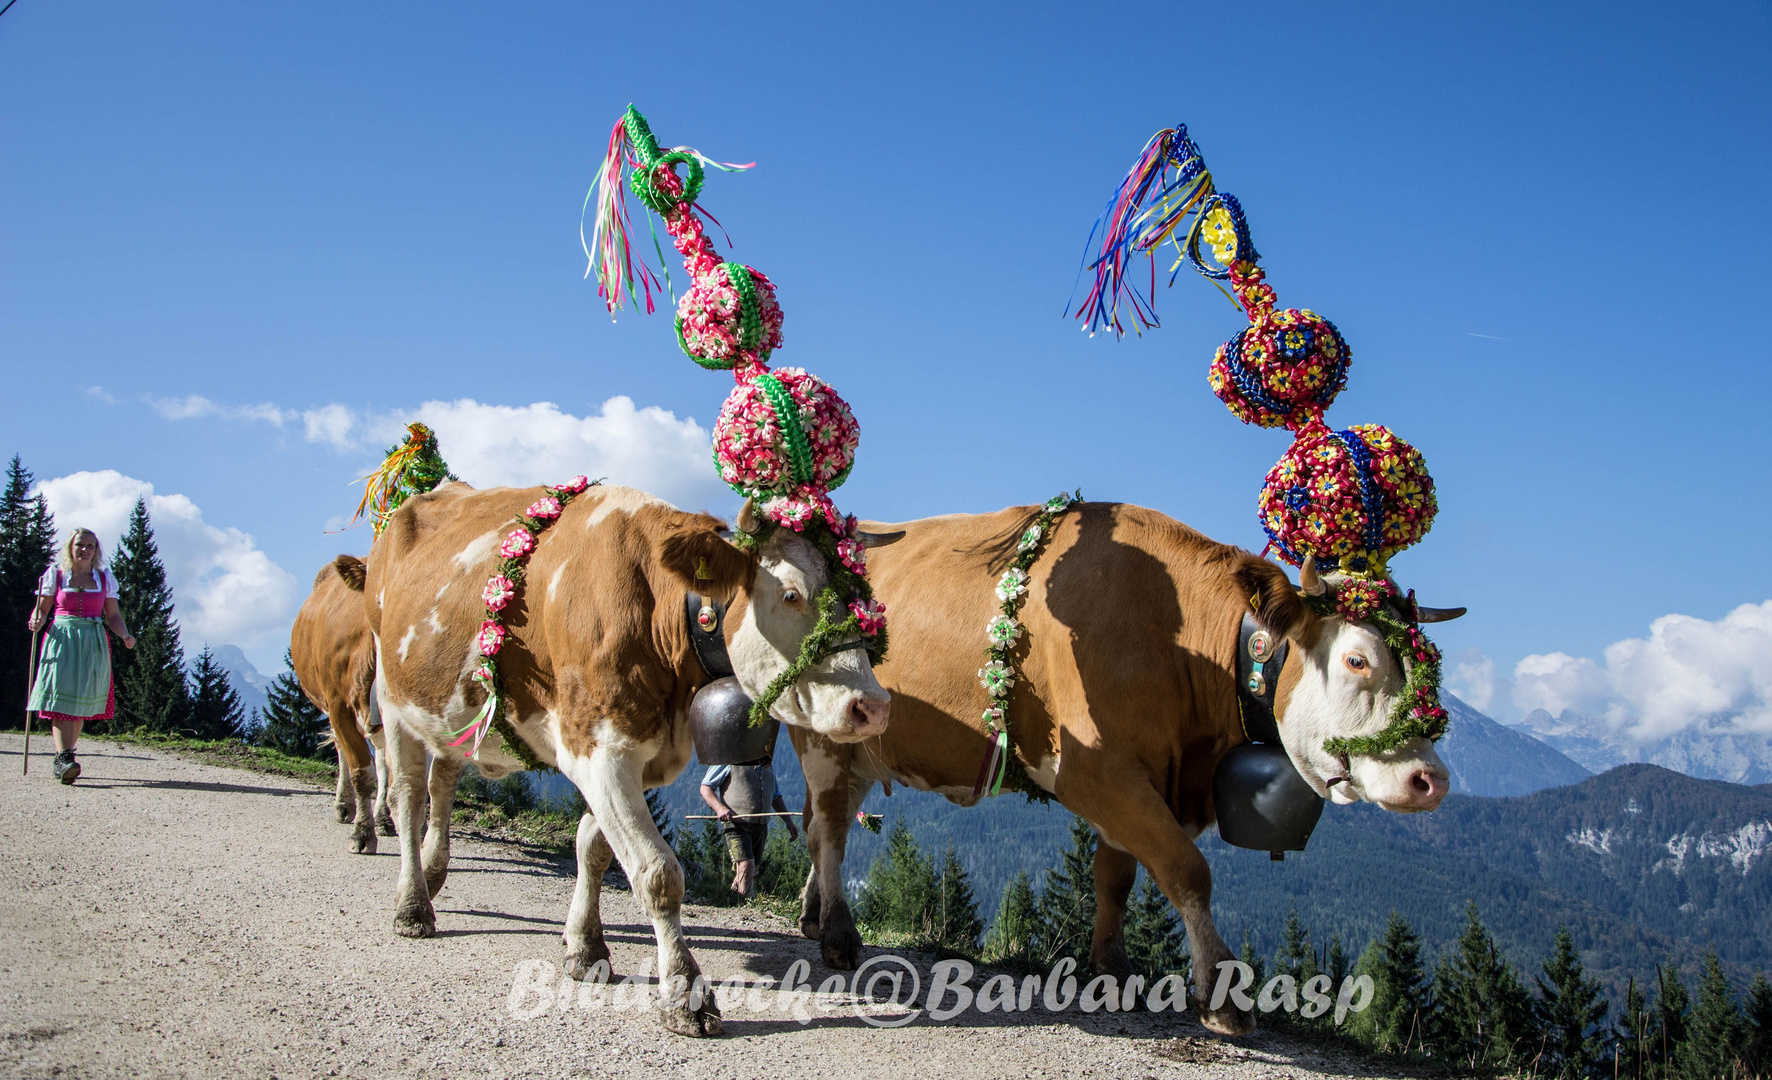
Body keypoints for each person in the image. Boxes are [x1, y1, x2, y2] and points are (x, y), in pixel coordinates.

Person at [26, 528, 135, 784]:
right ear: (70, 548)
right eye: (80, 545)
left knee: (81, 701)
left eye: (89, 546)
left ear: (96, 550)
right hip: (62, 637)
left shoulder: (104, 578)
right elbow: (42, 609)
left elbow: (113, 615)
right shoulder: (56, 574)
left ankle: (64, 758)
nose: (84, 550)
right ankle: (65, 758)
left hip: (93, 639)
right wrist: (37, 620)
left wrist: (125, 635)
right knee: (62, 698)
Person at [699, 749, 798, 896]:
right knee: (747, 866)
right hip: (736, 824)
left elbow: (775, 795)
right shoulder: (729, 759)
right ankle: (747, 907)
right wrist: (720, 808)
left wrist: (788, 822)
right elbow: (705, 787)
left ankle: (733, 899)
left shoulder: (766, 764)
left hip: (760, 825)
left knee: (749, 870)